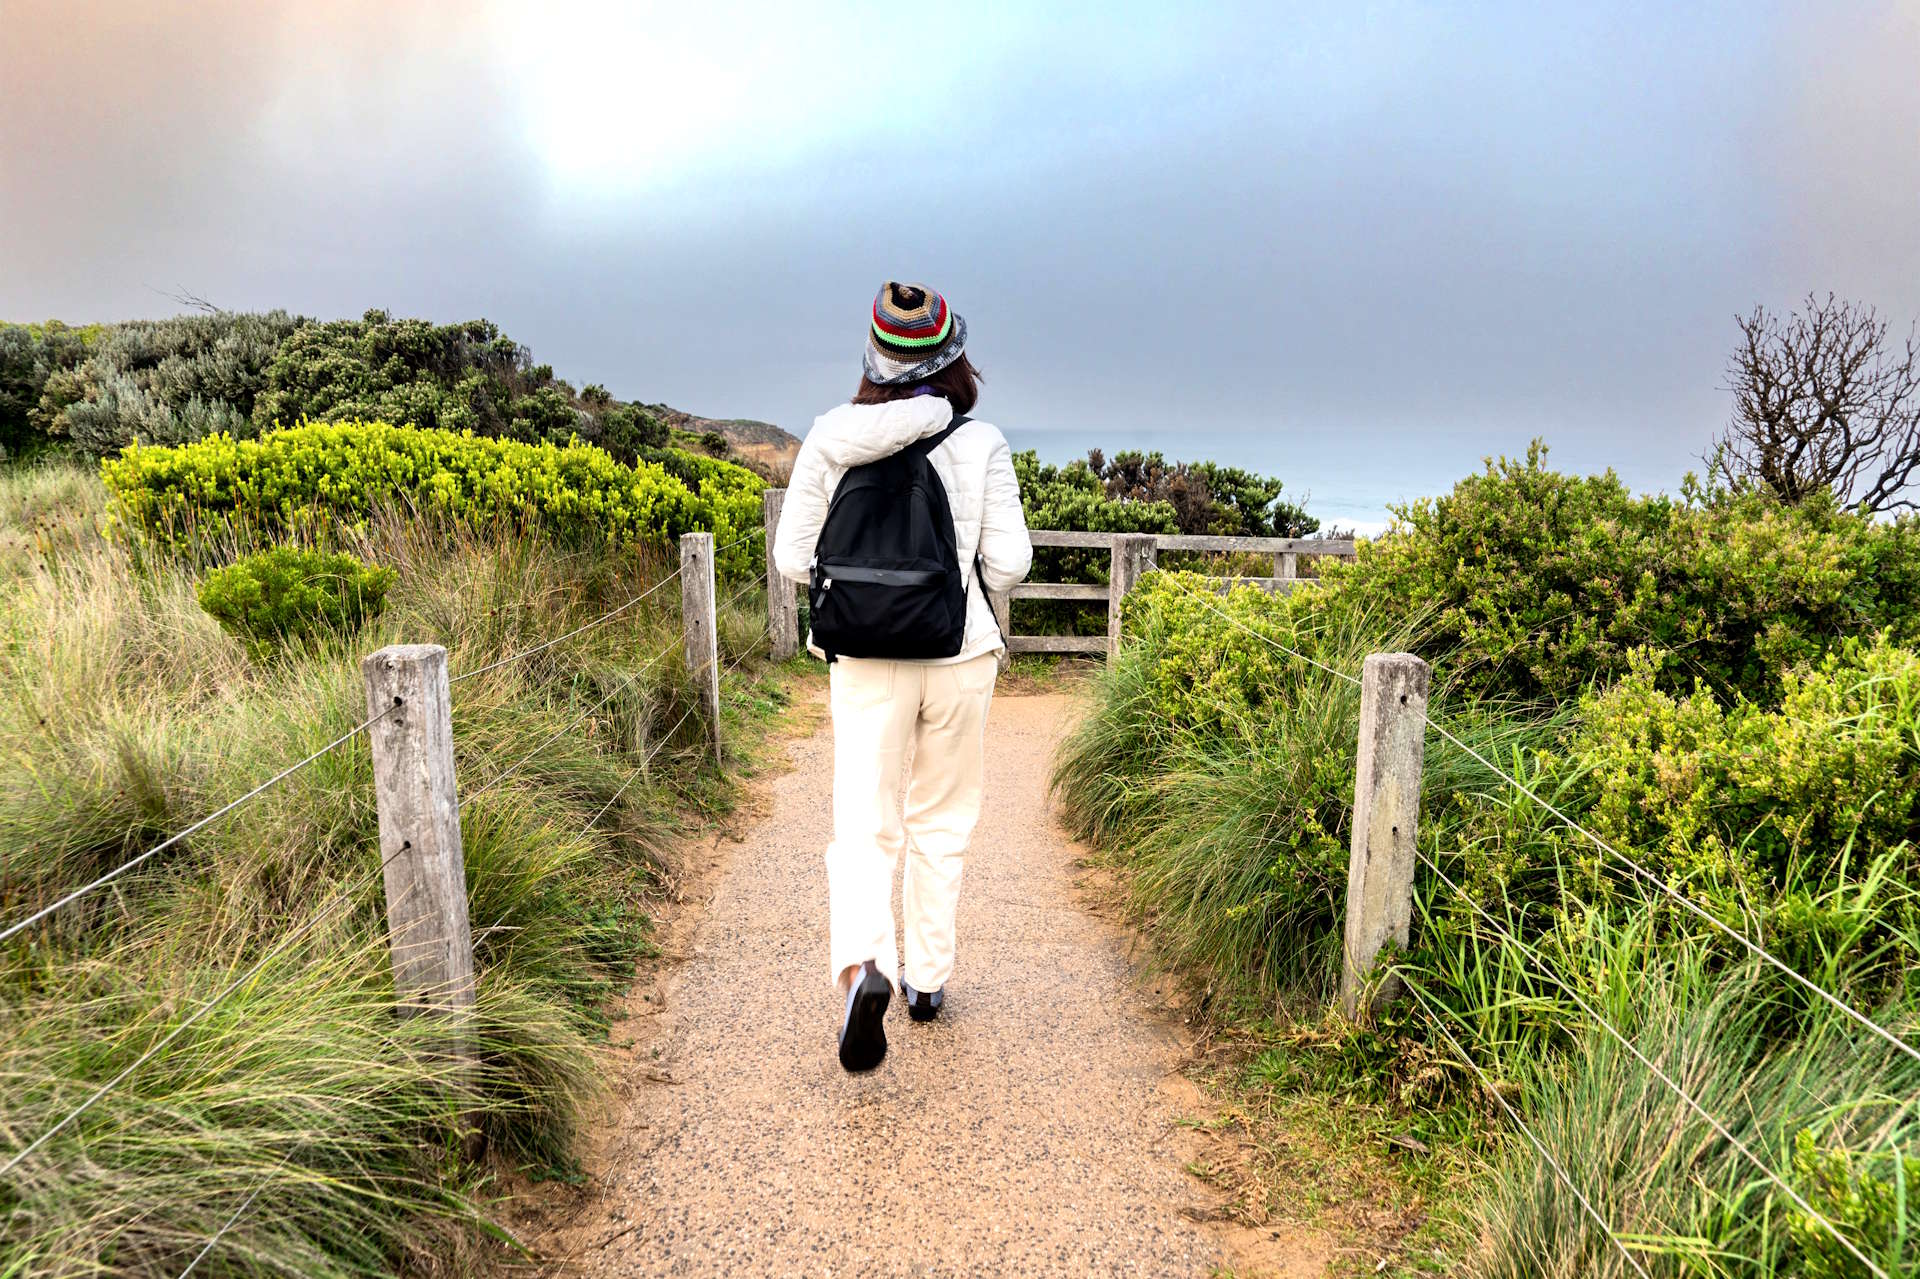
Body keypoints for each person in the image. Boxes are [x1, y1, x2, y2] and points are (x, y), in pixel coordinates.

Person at [773, 281, 1032, 1073]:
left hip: (865, 659)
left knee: (865, 823)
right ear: (955, 362)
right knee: (941, 819)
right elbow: (1010, 564)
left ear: (872, 360)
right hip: (959, 656)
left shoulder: (828, 437)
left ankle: (861, 967)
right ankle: (927, 981)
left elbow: (791, 561)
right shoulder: (980, 441)